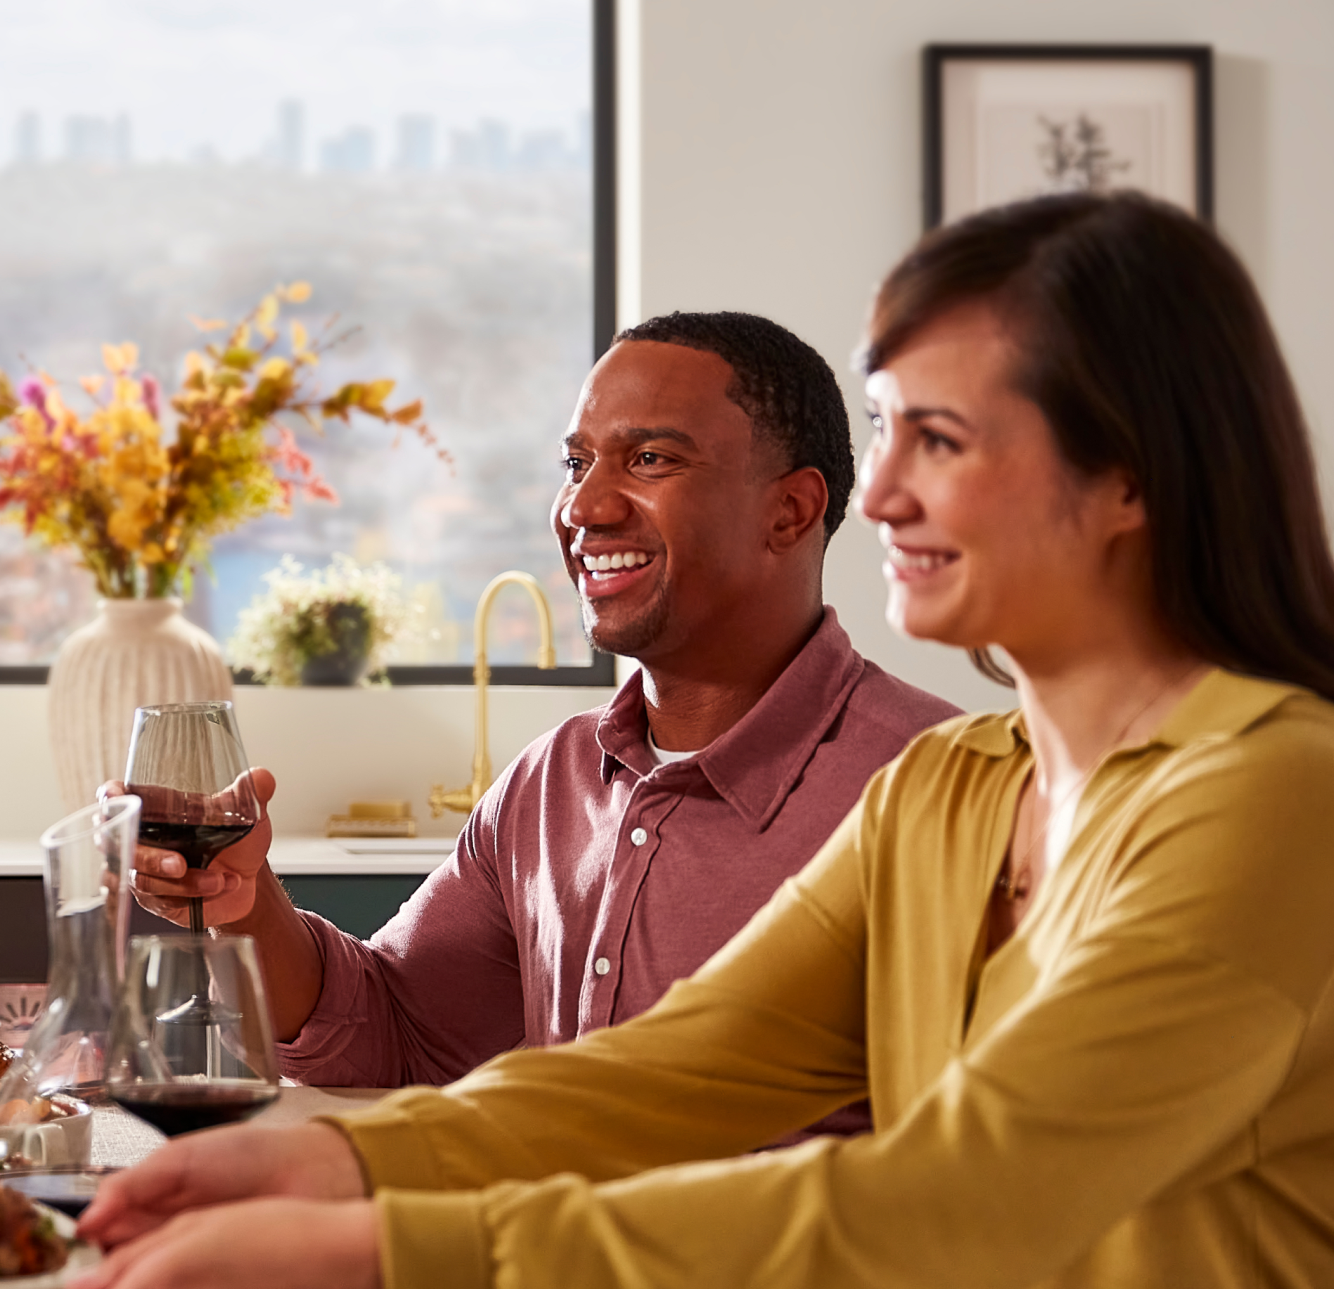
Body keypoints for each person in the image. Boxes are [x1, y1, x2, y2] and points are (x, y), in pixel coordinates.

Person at [66, 191, 1334, 1289]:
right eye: (884, 431)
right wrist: (334, 1164)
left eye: (937, 439)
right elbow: (664, 1076)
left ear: (1128, 478)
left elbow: (959, 1193)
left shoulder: (1284, 785)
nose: (878, 492)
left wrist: (389, 1252)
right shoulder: (951, 789)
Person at [129, 311, 954, 1129]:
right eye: (575, 462)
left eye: (650, 459)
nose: (584, 506)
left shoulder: (937, 791)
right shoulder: (552, 782)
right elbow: (396, 1031)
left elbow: (973, 1169)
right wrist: (245, 906)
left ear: (791, 511)